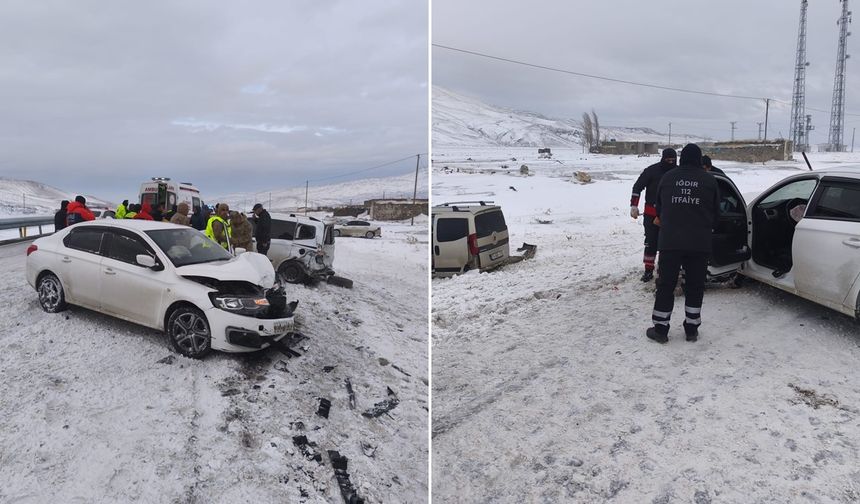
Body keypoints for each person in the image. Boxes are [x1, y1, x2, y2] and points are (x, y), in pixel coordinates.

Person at [646, 144, 720, 344]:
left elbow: (659, 209)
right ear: (698, 159)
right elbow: (717, 212)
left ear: (681, 158)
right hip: (699, 243)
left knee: (666, 285)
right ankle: (691, 329)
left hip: (670, 242)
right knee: (695, 286)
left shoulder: (667, 178)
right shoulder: (710, 180)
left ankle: (660, 329)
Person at [630, 148, 677, 281]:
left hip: (671, 216)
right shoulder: (651, 171)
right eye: (668, 160)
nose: (670, 162)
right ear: (662, 158)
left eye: (673, 160)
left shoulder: (677, 172)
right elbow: (637, 187)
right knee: (651, 243)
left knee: (667, 245)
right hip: (651, 214)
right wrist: (634, 205)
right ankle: (648, 270)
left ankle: (664, 269)